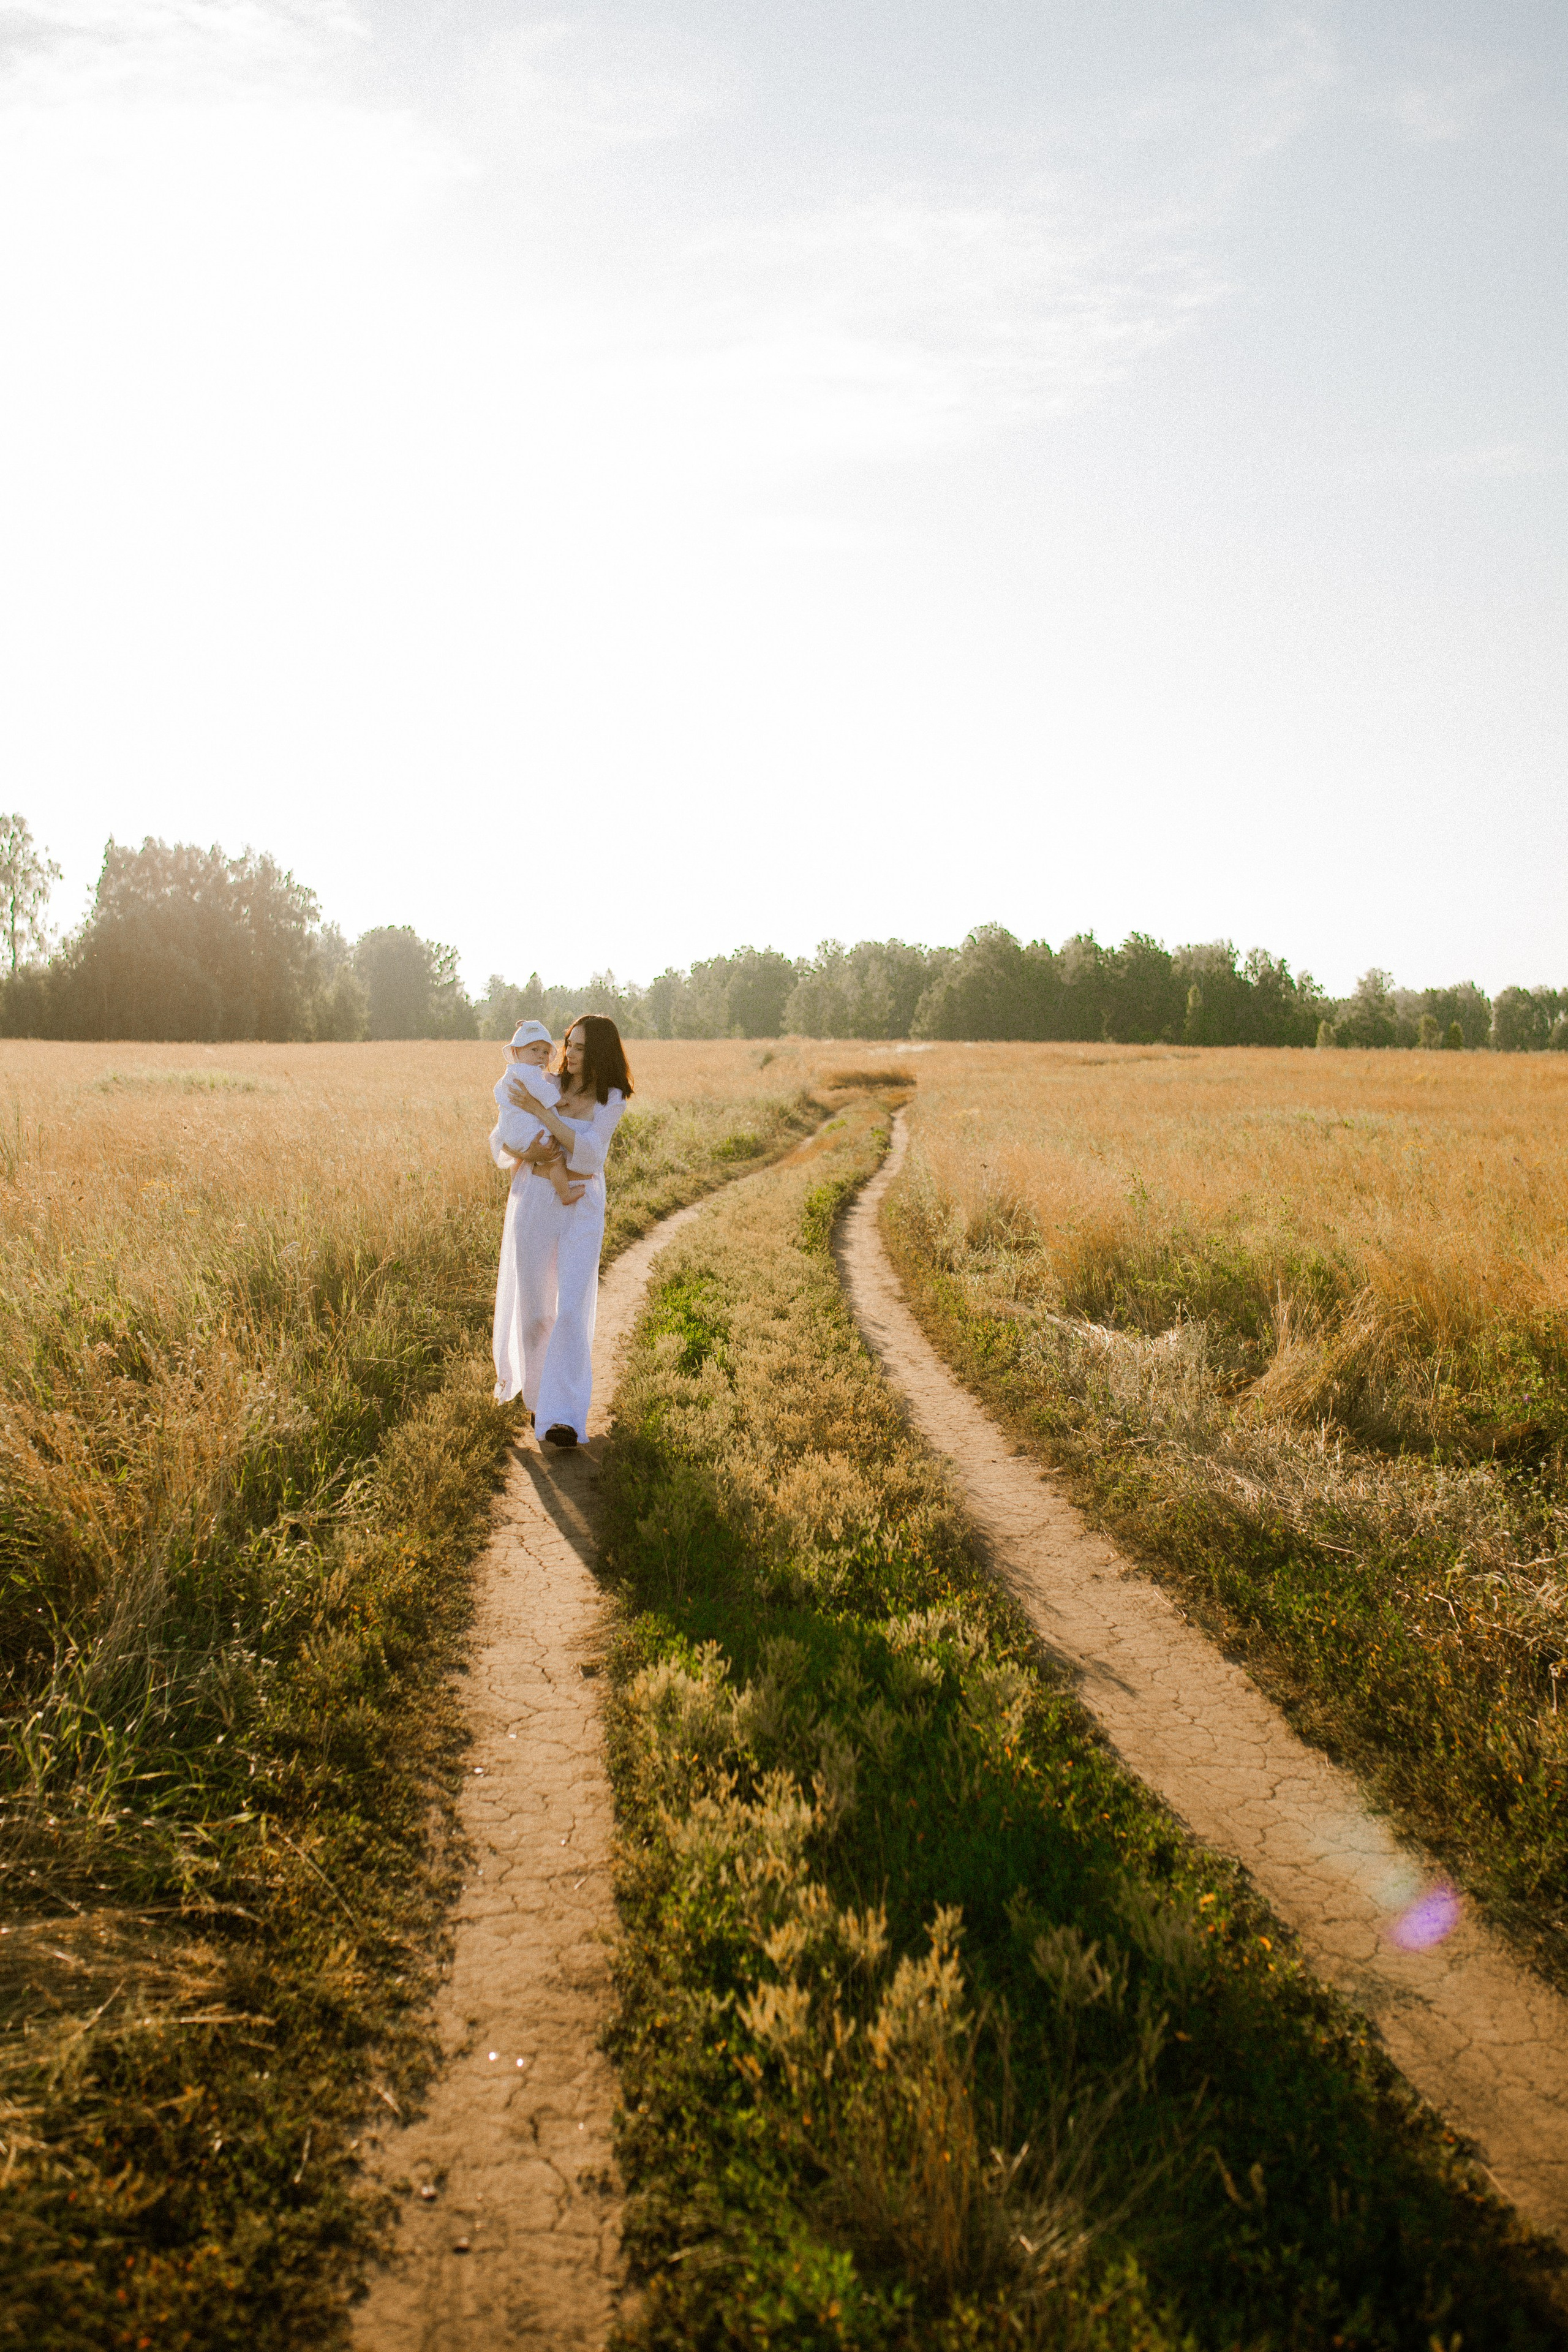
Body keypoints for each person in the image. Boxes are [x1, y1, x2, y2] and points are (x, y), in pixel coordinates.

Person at [490, 1013, 633, 1449]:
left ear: (602, 1053)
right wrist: (526, 1148)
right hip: (534, 1198)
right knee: (536, 1309)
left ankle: (563, 1417)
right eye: (569, 1043)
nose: (569, 1054)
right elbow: (500, 1137)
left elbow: (588, 1156)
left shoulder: (612, 1099)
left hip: (582, 1204)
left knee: (571, 1305)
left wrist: (541, 1116)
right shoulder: (545, 1083)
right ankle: (538, 1399)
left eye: (582, 1048)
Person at [489, 1020, 584, 1207]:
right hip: (529, 1133)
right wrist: (558, 1100)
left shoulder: (509, 1075)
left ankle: (516, 1189)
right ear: (516, 1052)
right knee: (555, 1161)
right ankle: (565, 1194)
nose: (541, 1056)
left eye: (545, 1052)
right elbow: (541, 1090)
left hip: (510, 1132)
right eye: (534, 1050)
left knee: (519, 1160)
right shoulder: (529, 1073)